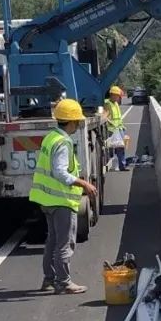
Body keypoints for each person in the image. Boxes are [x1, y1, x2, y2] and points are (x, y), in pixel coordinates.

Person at [31, 98, 99, 294]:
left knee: (52, 240)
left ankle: (49, 280)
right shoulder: (63, 142)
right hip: (61, 200)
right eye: (77, 121)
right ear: (70, 122)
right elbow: (60, 172)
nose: (78, 124)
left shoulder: (50, 137)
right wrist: (84, 183)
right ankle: (64, 282)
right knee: (64, 242)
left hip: (47, 200)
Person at [104, 85, 128, 171]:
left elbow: (118, 117)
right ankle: (112, 164)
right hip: (111, 130)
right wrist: (110, 123)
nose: (118, 98)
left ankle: (122, 166)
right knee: (110, 148)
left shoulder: (116, 104)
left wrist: (122, 126)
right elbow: (104, 116)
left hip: (119, 129)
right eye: (118, 96)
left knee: (121, 147)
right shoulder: (107, 104)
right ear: (113, 95)